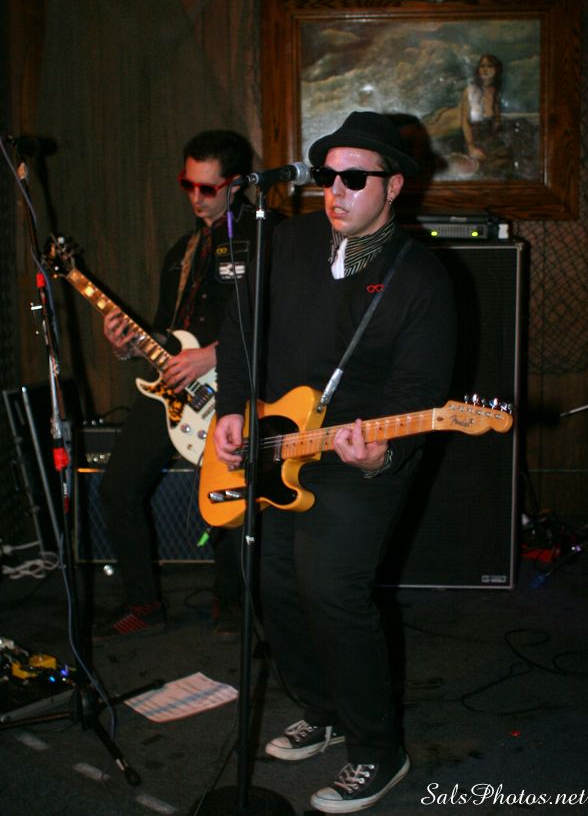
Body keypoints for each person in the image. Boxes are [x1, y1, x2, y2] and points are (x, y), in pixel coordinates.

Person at [212, 111, 457, 813]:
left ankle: (378, 750)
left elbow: (419, 392)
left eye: (355, 178)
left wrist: (383, 452)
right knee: (270, 581)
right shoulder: (284, 241)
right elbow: (239, 332)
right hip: (274, 447)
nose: (337, 191)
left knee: (331, 591)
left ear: (394, 186)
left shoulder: (420, 277)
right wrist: (233, 406)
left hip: (357, 461)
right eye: (327, 176)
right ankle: (321, 711)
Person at [95, 129, 274, 641]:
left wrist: (213, 354)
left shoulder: (266, 237)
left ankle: (231, 601)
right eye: (187, 184)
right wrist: (129, 345)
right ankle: (143, 603)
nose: (195, 197)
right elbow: (164, 330)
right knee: (117, 487)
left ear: (235, 184)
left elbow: (277, 317)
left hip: (233, 384)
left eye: (207, 188)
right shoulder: (182, 250)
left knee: (229, 498)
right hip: (173, 387)